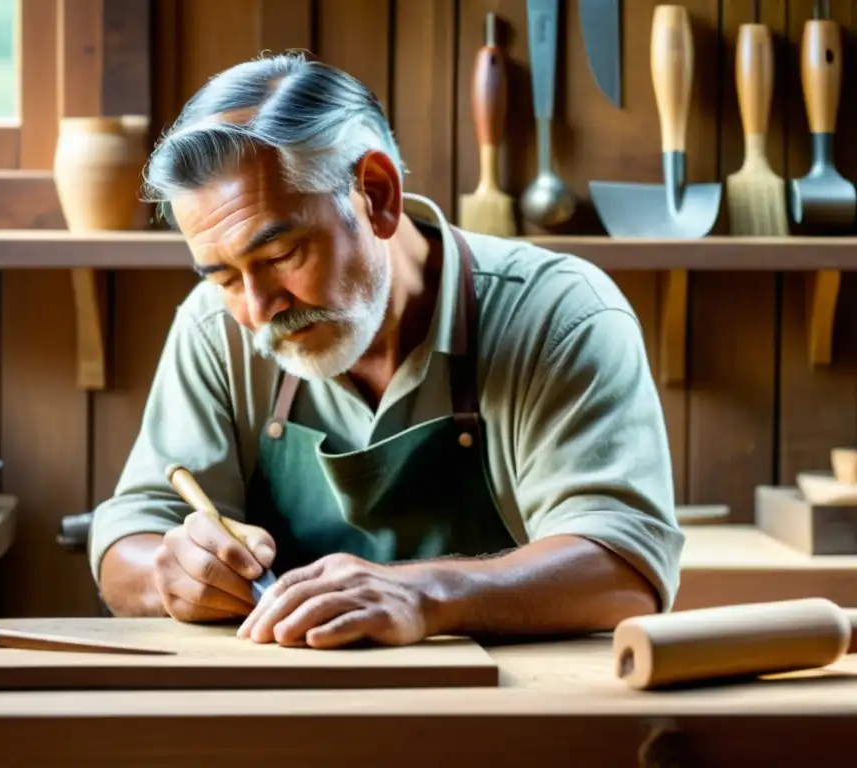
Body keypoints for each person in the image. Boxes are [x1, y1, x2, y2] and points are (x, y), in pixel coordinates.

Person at [89, 52, 683, 649]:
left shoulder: (560, 315)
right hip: (281, 710)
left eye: (279, 256)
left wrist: (427, 594)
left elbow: (625, 568)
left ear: (376, 195)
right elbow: (127, 544)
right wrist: (172, 572)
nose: (257, 307)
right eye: (221, 276)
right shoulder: (214, 328)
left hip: (504, 711)